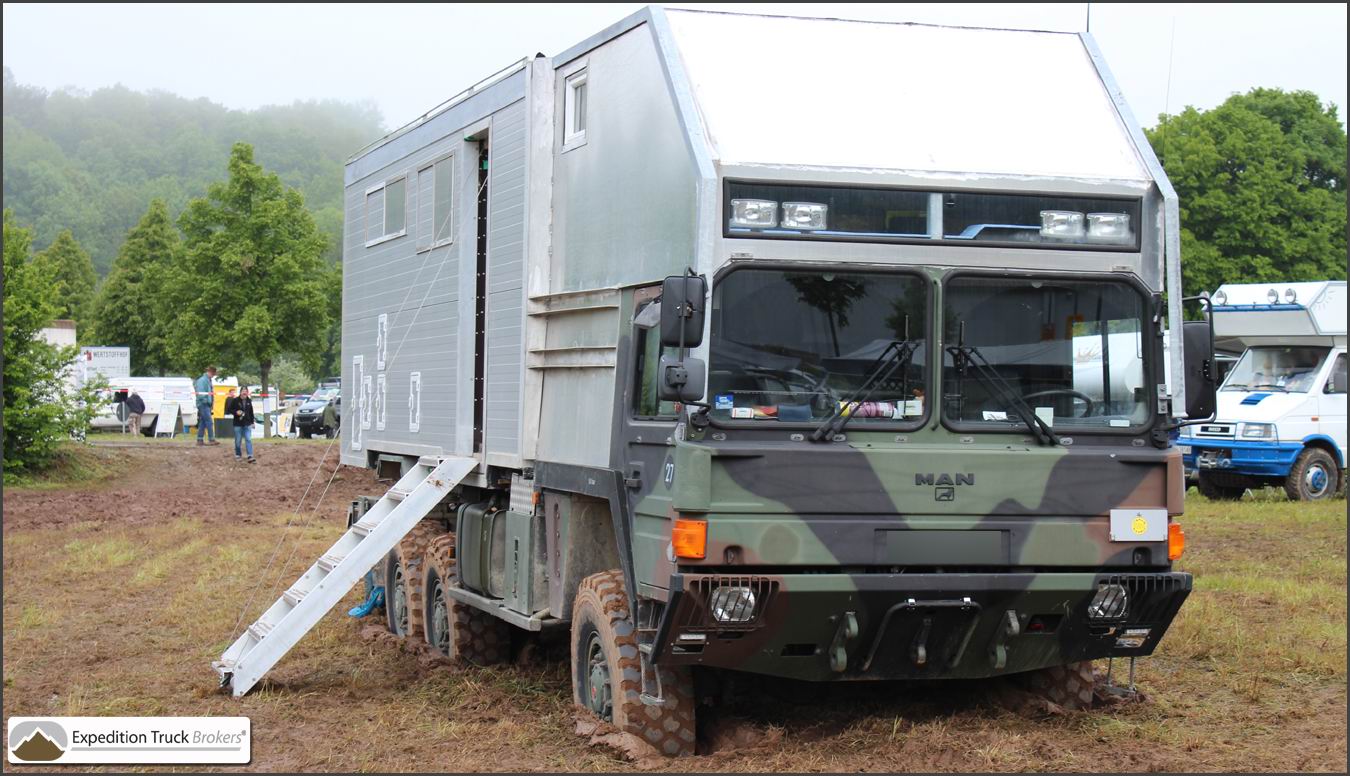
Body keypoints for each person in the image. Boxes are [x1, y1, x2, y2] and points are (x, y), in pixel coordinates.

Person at [225, 387, 256, 463]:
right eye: (243, 391)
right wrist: (236, 412)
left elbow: (251, 412)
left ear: (247, 392)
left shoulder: (249, 401)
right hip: (238, 424)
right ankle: (238, 455)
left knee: (248, 439)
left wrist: (252, 422)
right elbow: (229, 410)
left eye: (246, 391)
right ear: (240, 392)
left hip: (247, 423)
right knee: (238, 440)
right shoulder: (235, 400)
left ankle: (250, 456)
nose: (244, 392)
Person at [195, 366, 220, 446]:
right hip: (203, 404)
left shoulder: (207, 380)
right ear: (210, 372)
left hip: (206, 404)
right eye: (213, 373)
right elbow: (201, 394)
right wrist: (207, 401)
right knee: (209, 421)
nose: (213, 375)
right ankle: (211, 439)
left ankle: (200, 439)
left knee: (203, 422)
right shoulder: (202, 381)